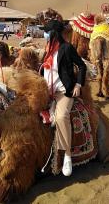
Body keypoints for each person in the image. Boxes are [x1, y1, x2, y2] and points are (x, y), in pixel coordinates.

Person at [41, 20, 87, 176]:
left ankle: (67, 155)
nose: (44, 34)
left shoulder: (66, 48)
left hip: (62, 92)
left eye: (46, 31)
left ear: (53, 33)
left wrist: (78, 85)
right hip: (45, 92)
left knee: (61, 117)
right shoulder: (47, 50)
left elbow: (81, 65)